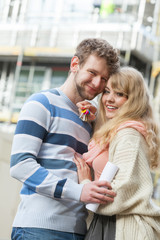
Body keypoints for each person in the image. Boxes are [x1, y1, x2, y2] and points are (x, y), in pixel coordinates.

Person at [10, 38, 120, 240]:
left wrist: (100, 121)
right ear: (75, 64)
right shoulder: (41, 103)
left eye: (104, 79)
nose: (97, 84)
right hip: (37, 230)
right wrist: (78, 191)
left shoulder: (89, 121)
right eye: (92, 73)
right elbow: (20, 165)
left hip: (78, 231)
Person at [74, 66, 160, 240]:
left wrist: (85, 184)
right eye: (106, 92)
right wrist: (94, 119)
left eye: (119, 94)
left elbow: (120, 193)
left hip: (125, 227)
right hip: (108, 224)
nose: (109, 99)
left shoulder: (128, 134)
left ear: (133, 100)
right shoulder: (116, 131)